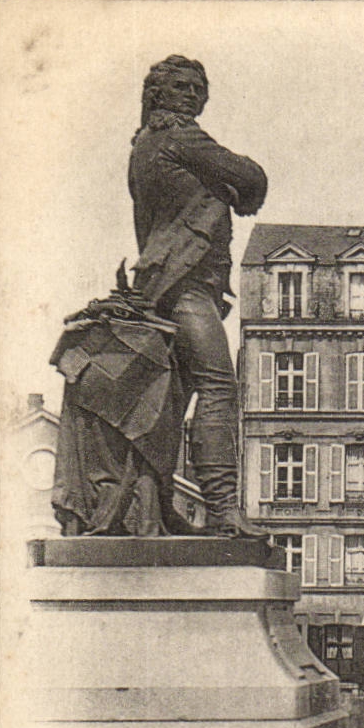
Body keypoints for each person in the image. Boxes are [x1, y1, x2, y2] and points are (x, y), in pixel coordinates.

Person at [127, 55, 269, 536]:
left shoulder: (144, 144)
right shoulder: (181, 136)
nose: (192, 95)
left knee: (171, 401)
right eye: (181, 87)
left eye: (198, 88)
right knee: (218, 388)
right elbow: (251, 175)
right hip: (184, 287)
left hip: (167, 286)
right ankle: (224, 510)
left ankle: (155, 506)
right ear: (158, 95)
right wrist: (237, 192)